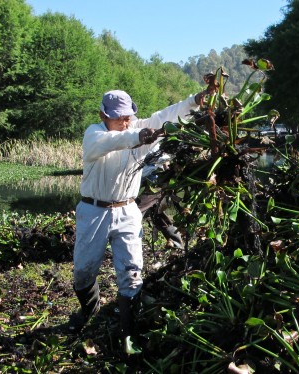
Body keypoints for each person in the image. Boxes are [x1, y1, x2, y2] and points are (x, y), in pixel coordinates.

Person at [69, 89, 207, 354]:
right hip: (93, 211)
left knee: (132, 272)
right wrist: (137, 136)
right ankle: (90, 312)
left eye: (129, 117)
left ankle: (127, 333)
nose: (125, 122)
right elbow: (114, 141)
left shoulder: (139, 128)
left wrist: (193, 101)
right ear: (103, 115)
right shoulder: (94, 134)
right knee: (83, 271)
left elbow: (167, 116)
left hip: (127, 210)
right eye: (119, 118)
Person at [136, 145, 183, 249]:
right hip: (152, 182)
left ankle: (132, 244)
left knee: (134, 212)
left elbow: (163, 158)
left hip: (156, 183)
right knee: (158, 214)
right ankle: (177, 244)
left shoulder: (149, 142)